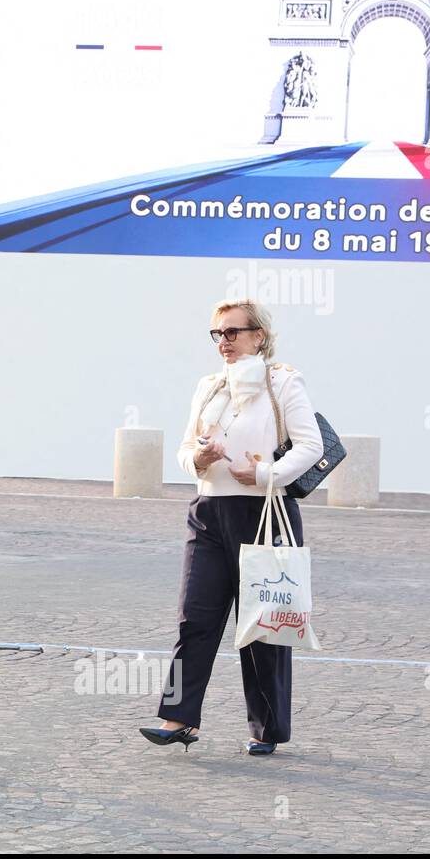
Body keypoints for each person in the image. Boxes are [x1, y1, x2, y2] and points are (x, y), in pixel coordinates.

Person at [140, 299, 322, 756]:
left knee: (262, 626)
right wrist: (197, 458)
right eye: (217, 334)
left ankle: (267, 728)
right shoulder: (209, 387)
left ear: (258, 335)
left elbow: (310, 446)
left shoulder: (283, 381)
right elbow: (185, 449)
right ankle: (179, 718)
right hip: (207, 511)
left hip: (262, 513)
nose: (224, 342)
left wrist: (264, 475)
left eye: (233, 333)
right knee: (194, 617)